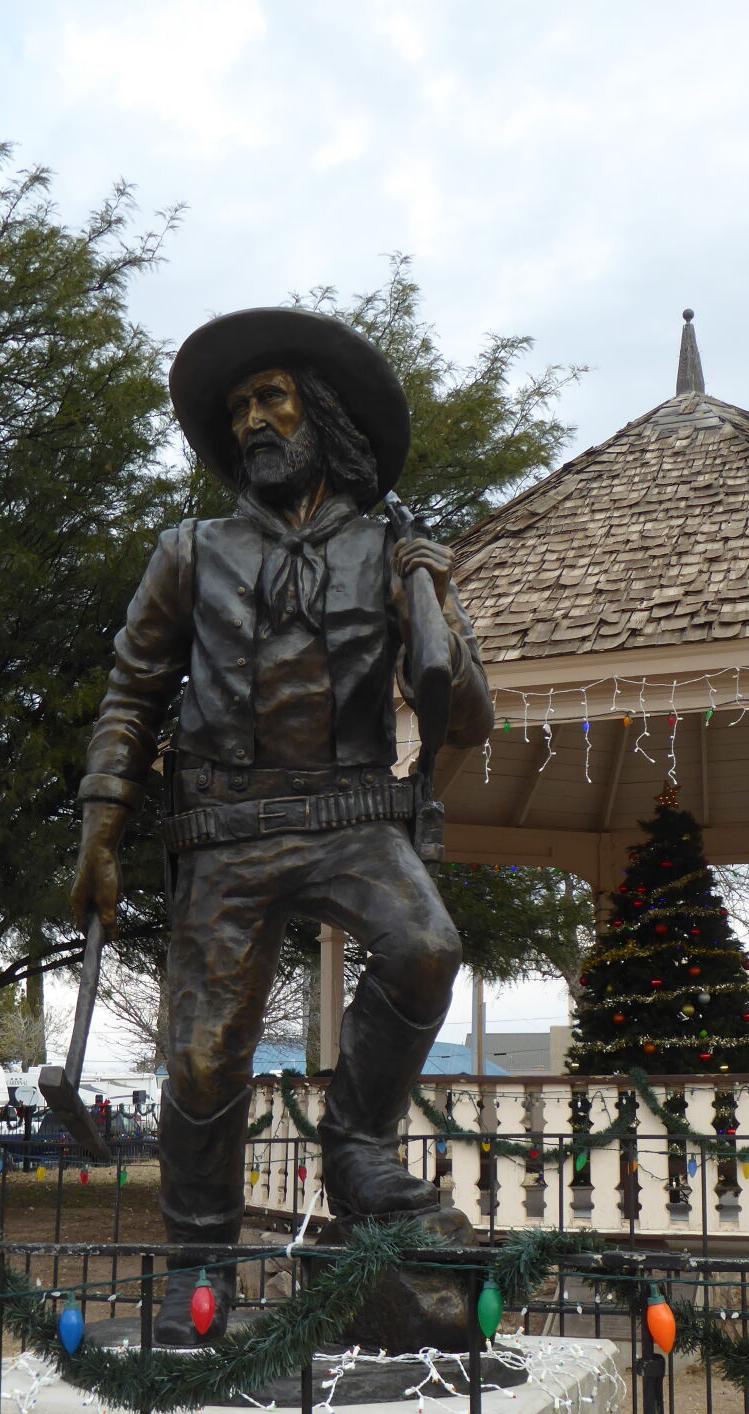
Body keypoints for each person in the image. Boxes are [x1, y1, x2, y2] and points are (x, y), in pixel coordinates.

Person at [71, 307, 493, 1344]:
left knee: (426, 944)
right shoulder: (189, 551)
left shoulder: (390, 550)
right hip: (224, 830)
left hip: (351, 818)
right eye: (238, 408)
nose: (253, 419)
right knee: (203, 1057)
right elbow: (130, 691)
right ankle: (197, 1270)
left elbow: (469, 717)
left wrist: (431, 598)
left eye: (271, 398)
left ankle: (354, 1143)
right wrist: (99, 825)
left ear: (319, 416)